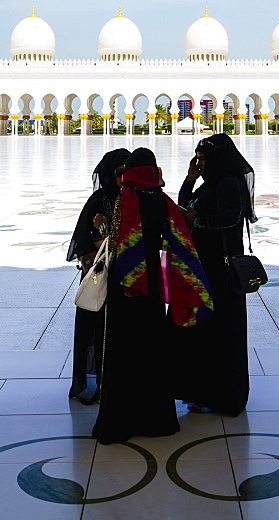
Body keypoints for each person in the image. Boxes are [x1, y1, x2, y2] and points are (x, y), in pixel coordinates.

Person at [92, 147, 213, 445]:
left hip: (126, 287)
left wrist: (102, 226)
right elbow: (179, 238)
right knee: (153, 351)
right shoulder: (163, 201)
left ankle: (120, 421)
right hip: (153, 289)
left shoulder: (125, 199)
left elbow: (117, 240)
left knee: (124, 352)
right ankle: (157, 420)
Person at [173, 133, 256, 416]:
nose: (200, 162)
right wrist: (190, 179)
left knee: (224, 334)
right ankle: (205, 392)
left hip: (222, 272)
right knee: (206, 332)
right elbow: (186, 206)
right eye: (199, 157)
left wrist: (200, 221)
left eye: (205, 158)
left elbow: (232, 219)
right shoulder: (208, 186)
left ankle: (226, 396)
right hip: (205, 268)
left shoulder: (230, 184)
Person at [67, 147, 131, 403]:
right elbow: (82, 239)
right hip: (101, 275)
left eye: (128, 172)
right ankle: (94, 383)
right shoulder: (100, 199)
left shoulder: (133, 198)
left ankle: (118, 381)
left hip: (125, 275)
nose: (123, 178)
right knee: (95, 330)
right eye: (119, 173)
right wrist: (95, 252)